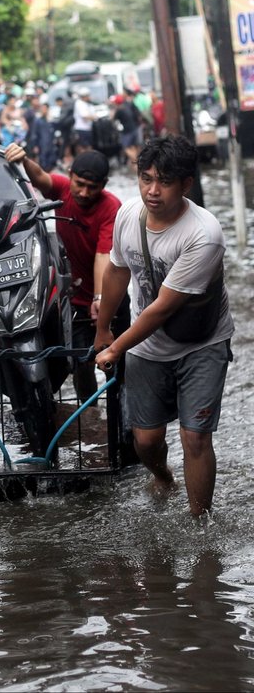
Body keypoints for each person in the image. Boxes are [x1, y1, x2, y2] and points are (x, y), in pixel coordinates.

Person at [95, 135, 234, 517]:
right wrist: (102, 328)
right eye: (145, 179)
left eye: (164, 181)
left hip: (201, 342)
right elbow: (116, 272)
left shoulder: (203, 235)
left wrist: (115, 347)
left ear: (186, 184)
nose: (152, 191)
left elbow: (160, 309)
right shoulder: (127, 215)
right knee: (146, 439)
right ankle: (163, 476)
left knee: (195, 436)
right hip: (147, 347)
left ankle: (199, 520)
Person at [4, 144, 129, 403]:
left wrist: (99, 298)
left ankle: (121, 417)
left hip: (108, 298)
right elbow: (40, 178)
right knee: (81, 364)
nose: (83, 192)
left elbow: (104, 255)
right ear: (70, 175)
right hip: (74, 299)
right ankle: (91, 412)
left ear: (104, 185)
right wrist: (24, 158)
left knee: (118, 363)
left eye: (92, 187)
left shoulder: (111, 207)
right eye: (79, 184)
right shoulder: (62, 189)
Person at [72, 87, 97, 153]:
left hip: (88, 128)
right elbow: (85, 116)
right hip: (82, 129)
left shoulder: (87, 104)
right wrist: (94, 117)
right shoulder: (79, 103)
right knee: (83, 147)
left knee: (88, 146)